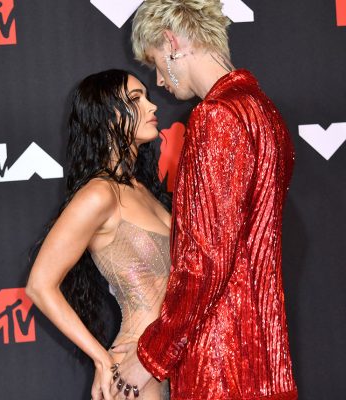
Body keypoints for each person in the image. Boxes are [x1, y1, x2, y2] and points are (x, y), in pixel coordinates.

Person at [105, 1, 298, 399]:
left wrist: (148, 359)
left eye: (156, 61)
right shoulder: (264, 112)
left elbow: (204, 263)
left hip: (220, 366)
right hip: (266, 361)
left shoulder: (217, 117)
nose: (158, 80)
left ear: (172, 42)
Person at [26, 69, 171, 400]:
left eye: (147, 96)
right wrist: (102, 360)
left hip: (175, 362)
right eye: (136, 100)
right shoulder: (98, 195)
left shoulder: (143, 189)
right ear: (107, 117)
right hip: (135, 375)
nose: (152, 107)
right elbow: (39, 285)